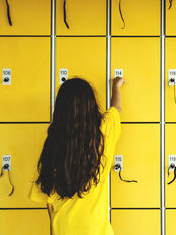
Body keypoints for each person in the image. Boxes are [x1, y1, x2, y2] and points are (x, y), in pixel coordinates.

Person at [29, 77, 125, 235]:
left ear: (60, 109)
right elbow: (117, 108)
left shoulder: (53, 144)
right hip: (96, 229)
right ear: (91, 106)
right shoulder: (103, 133)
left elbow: (48, 200)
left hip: (63, 228)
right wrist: (116, 86)